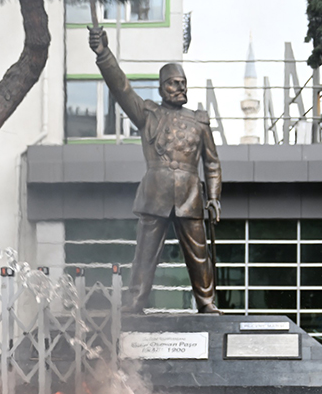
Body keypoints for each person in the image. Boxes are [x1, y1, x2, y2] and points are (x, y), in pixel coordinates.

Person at [88, 29, 222, 314]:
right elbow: (121, 88)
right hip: (156, 192)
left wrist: (214, 197)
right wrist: (103, 54)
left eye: (183, 83)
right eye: (173, 83)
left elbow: (211, 162)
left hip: (189, 194)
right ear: (161, 88)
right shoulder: (148, 114)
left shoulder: (200, 122)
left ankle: (206, 302)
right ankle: (135, 301)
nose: (179, 88)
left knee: (199, 255)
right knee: (145, 254)